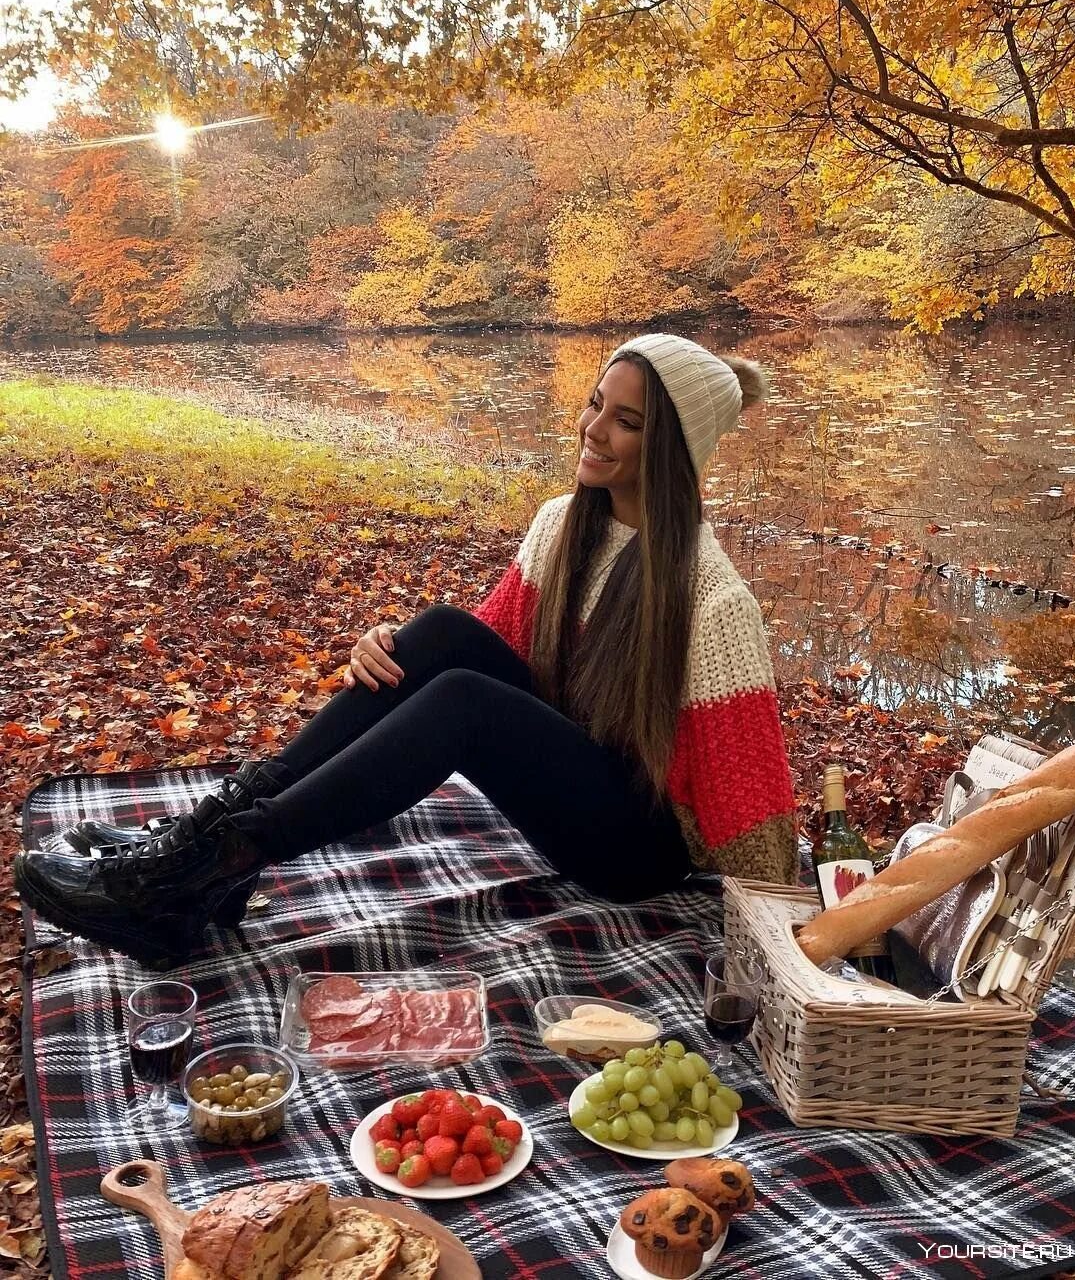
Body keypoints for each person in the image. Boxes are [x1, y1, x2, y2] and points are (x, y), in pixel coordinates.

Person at [14, 333, 798, 967]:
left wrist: (792, 945)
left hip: (636, 849)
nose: (594, 429)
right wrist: (385, 648)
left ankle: (213, 864)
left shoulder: (713, 600)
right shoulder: (565, 523)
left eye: (628, 421)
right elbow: (477, 647)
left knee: (464, 700)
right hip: (574, 782)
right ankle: (211, 845)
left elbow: (758, 833)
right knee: (440, 631)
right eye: (596, 404)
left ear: (676, 450)